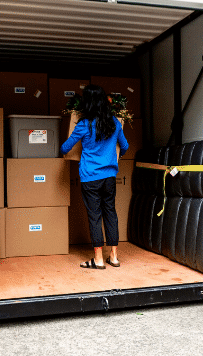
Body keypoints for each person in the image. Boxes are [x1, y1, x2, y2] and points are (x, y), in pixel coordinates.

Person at [61, 84, 129, 269]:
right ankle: (114, 257)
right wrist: (116, 155)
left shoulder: (84, 124)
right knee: (110, 214)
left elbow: (65, 148)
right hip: (109, 177)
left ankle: (98, 259)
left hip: (90, 177)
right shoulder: (114, 122)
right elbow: (125, 146)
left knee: (94, 217)